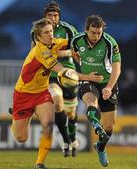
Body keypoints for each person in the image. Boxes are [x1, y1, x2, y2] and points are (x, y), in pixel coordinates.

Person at [11, 18, 72, 169]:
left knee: (48, 125)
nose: (50, 35)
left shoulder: (53, 42)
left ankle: (39, 163)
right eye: (46, 32)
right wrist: (77, 75)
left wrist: (81, 45)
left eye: (51, 31)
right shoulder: (40, 50)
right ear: (38, 37)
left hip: (41, 93)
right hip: (23, 95)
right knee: (21, 138)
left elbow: (72, 44)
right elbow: (57, 67)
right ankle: (18, 114)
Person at [71, 15, 121, 167]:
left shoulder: (109, 42)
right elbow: (74, 53)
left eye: (99, 33)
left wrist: (108, 87)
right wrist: (85, 70)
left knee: (109, 127)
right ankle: (95, 123)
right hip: (89, 80)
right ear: (86, 30)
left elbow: (117, 67)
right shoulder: (77, 40)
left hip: (107, 83)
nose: (96, 36)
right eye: (93, 32)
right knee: (90, 100)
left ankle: (100, 147)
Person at [41, 1, 79, 157]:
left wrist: (61, 54)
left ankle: (73, 138)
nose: (52, 18)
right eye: (49, 15)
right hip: (51, 76)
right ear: (45, 16)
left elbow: (77, 50)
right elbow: (34, 50)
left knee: (70, 114)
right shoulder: (38, 30)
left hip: (68, 75)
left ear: (59, 16)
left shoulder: (69, 30)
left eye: (55, 15)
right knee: (57, 102)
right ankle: (66, 141)